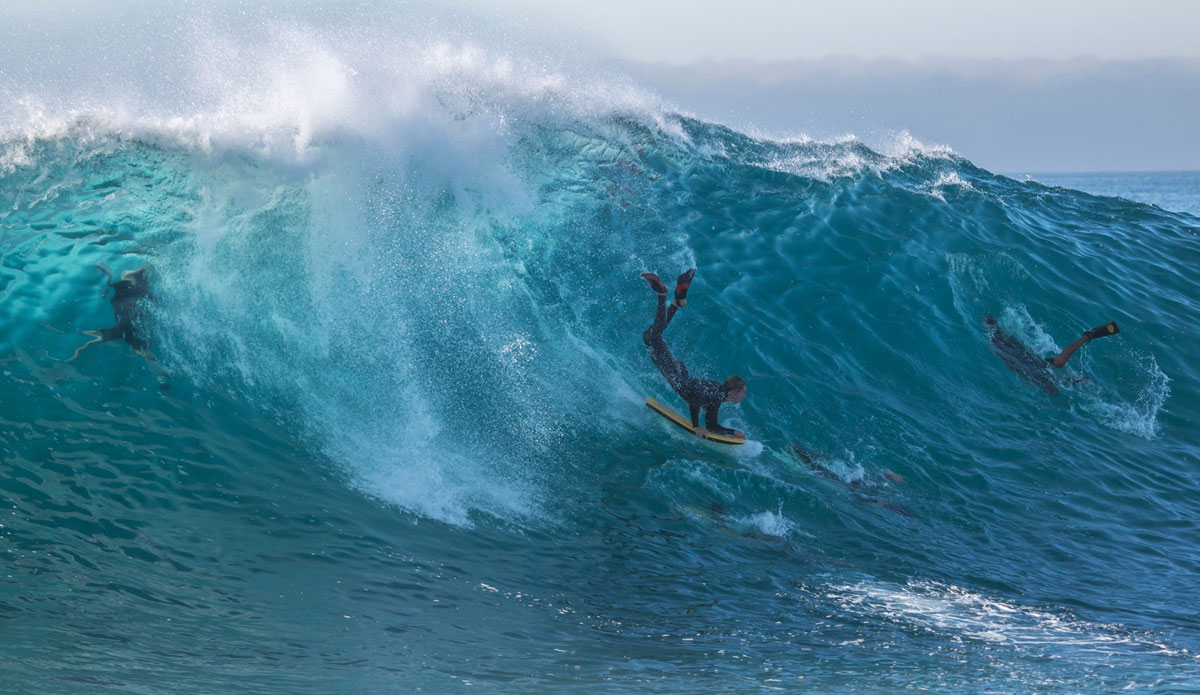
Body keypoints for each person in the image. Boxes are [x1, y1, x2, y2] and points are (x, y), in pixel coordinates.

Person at [641, 268, 746, 440]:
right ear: (734, 391)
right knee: (653, 336)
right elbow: (695, 399)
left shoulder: (718, 396)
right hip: (676, 374)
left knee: (650, 337)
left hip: (677, 373)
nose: (744, 396)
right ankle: (663, 293)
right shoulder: (718, 394)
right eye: (743, 392)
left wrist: (733, 433)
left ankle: (676, 303)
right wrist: (696, 426)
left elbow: (712, 425)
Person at [983, 314, 1119, 396]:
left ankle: (1071, 381)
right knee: (1058, 363)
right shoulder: (1002, 338)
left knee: (1054, 383)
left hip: (1030, 367)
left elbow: (1008, 361)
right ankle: (1088, 336)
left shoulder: (995, 341)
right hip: (1032, 362)